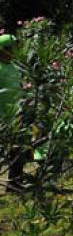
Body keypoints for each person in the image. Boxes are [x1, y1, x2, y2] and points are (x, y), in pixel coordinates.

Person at [0, 34, 24, 191]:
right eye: (13, 47)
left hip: (16, 114)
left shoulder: (15, 67)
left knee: (18, 148)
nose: (15, 50)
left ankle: (14, 182)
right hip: (2, 116)